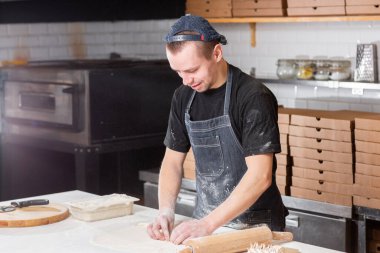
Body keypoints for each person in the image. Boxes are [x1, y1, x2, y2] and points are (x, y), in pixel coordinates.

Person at [147, 14, 288, 245]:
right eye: (178, 72)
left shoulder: (252, 97)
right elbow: (172, 161)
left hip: (254, 228)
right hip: (205, 225)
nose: (185, 80)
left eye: (191, 70)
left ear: (216, 53)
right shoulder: (183, 96)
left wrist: (208, 224)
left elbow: (260, 175)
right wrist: (165, 211)